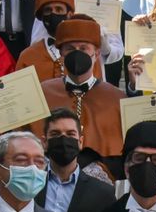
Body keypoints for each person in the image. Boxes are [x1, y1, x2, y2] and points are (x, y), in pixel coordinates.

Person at [37, 14, 127, 176]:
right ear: (61, 53)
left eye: (84, 48)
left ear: (97, 53)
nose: (77, 53)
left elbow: (122, 155)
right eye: (70, 49)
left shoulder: (117, 98)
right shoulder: (42, 93)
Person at [13, 0, 75, 83]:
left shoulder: (85, 51)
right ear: (41, 16)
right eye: (48, 10)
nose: (53, 14)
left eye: (59, 9)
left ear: (70, 15)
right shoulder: (28, 56)